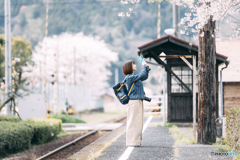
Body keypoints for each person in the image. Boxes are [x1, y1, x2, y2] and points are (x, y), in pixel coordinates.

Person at [122, 59, 150, 147]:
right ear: (129, 67)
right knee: (133, 122)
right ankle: (131, 142)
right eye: (133, 64)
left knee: (138, 122)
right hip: (134, 102)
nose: (135, 65)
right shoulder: (129, 78)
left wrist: (146, 67)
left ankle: (136, 141)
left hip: (138, 101)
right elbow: (142, 75)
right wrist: (144, 66)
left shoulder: (134, 77)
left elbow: (144, 77)